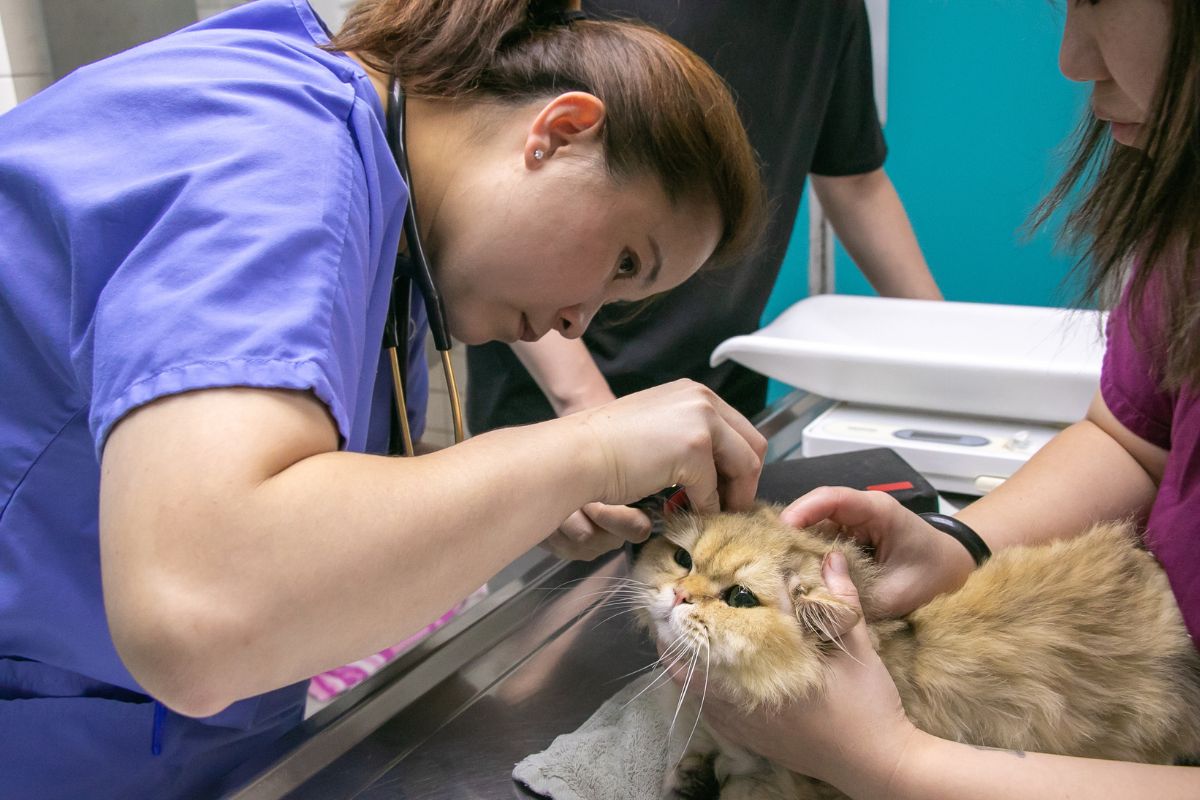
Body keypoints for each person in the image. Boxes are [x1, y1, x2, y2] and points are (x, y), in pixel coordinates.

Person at [0, 0, 769, 796]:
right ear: (560, 132)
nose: (579, 319)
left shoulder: (387, 213)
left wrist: (518, 501)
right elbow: (199, 612)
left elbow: (288, 484)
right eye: (623, 263)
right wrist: (589, 447)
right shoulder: (274, 157)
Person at [669, 0, 1200, 797]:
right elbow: (1135, 436)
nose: (1073, 60)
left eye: (1098, 1)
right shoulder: (1183, 231)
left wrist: (890, 761)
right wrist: (958, 544)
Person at [466, 0, 940, 561]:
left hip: (717, 399)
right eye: (627, 263)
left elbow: (855, 181)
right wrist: (591, 418)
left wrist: (943, 348)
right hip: (561, 407)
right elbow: (511, 186)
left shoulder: (829, 13)